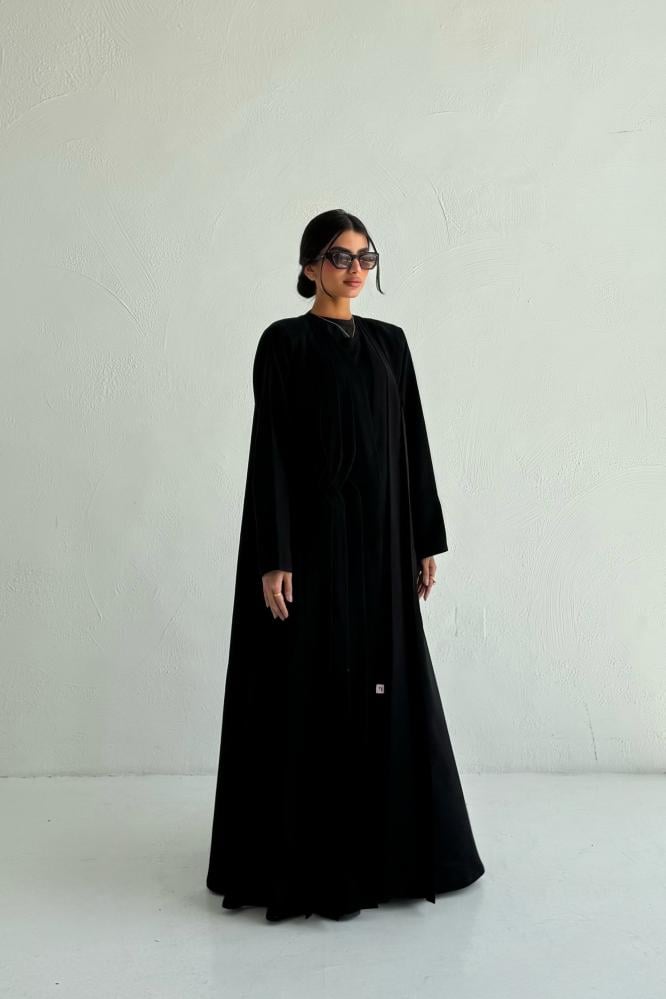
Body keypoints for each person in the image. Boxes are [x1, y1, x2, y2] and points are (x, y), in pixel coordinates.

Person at [206, 209, 485, 922]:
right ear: (309, 267)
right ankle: (312, 859)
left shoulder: (391, 343)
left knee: (386, 683)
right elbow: (271, 448)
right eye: (338, 256)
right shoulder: (286, 342)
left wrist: (424, 539)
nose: (355, 268)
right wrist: (274, 554)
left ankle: (390, 853)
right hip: (315, 548)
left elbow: (413, 442)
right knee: (317, 681)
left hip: (384, 544)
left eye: (365, 256)